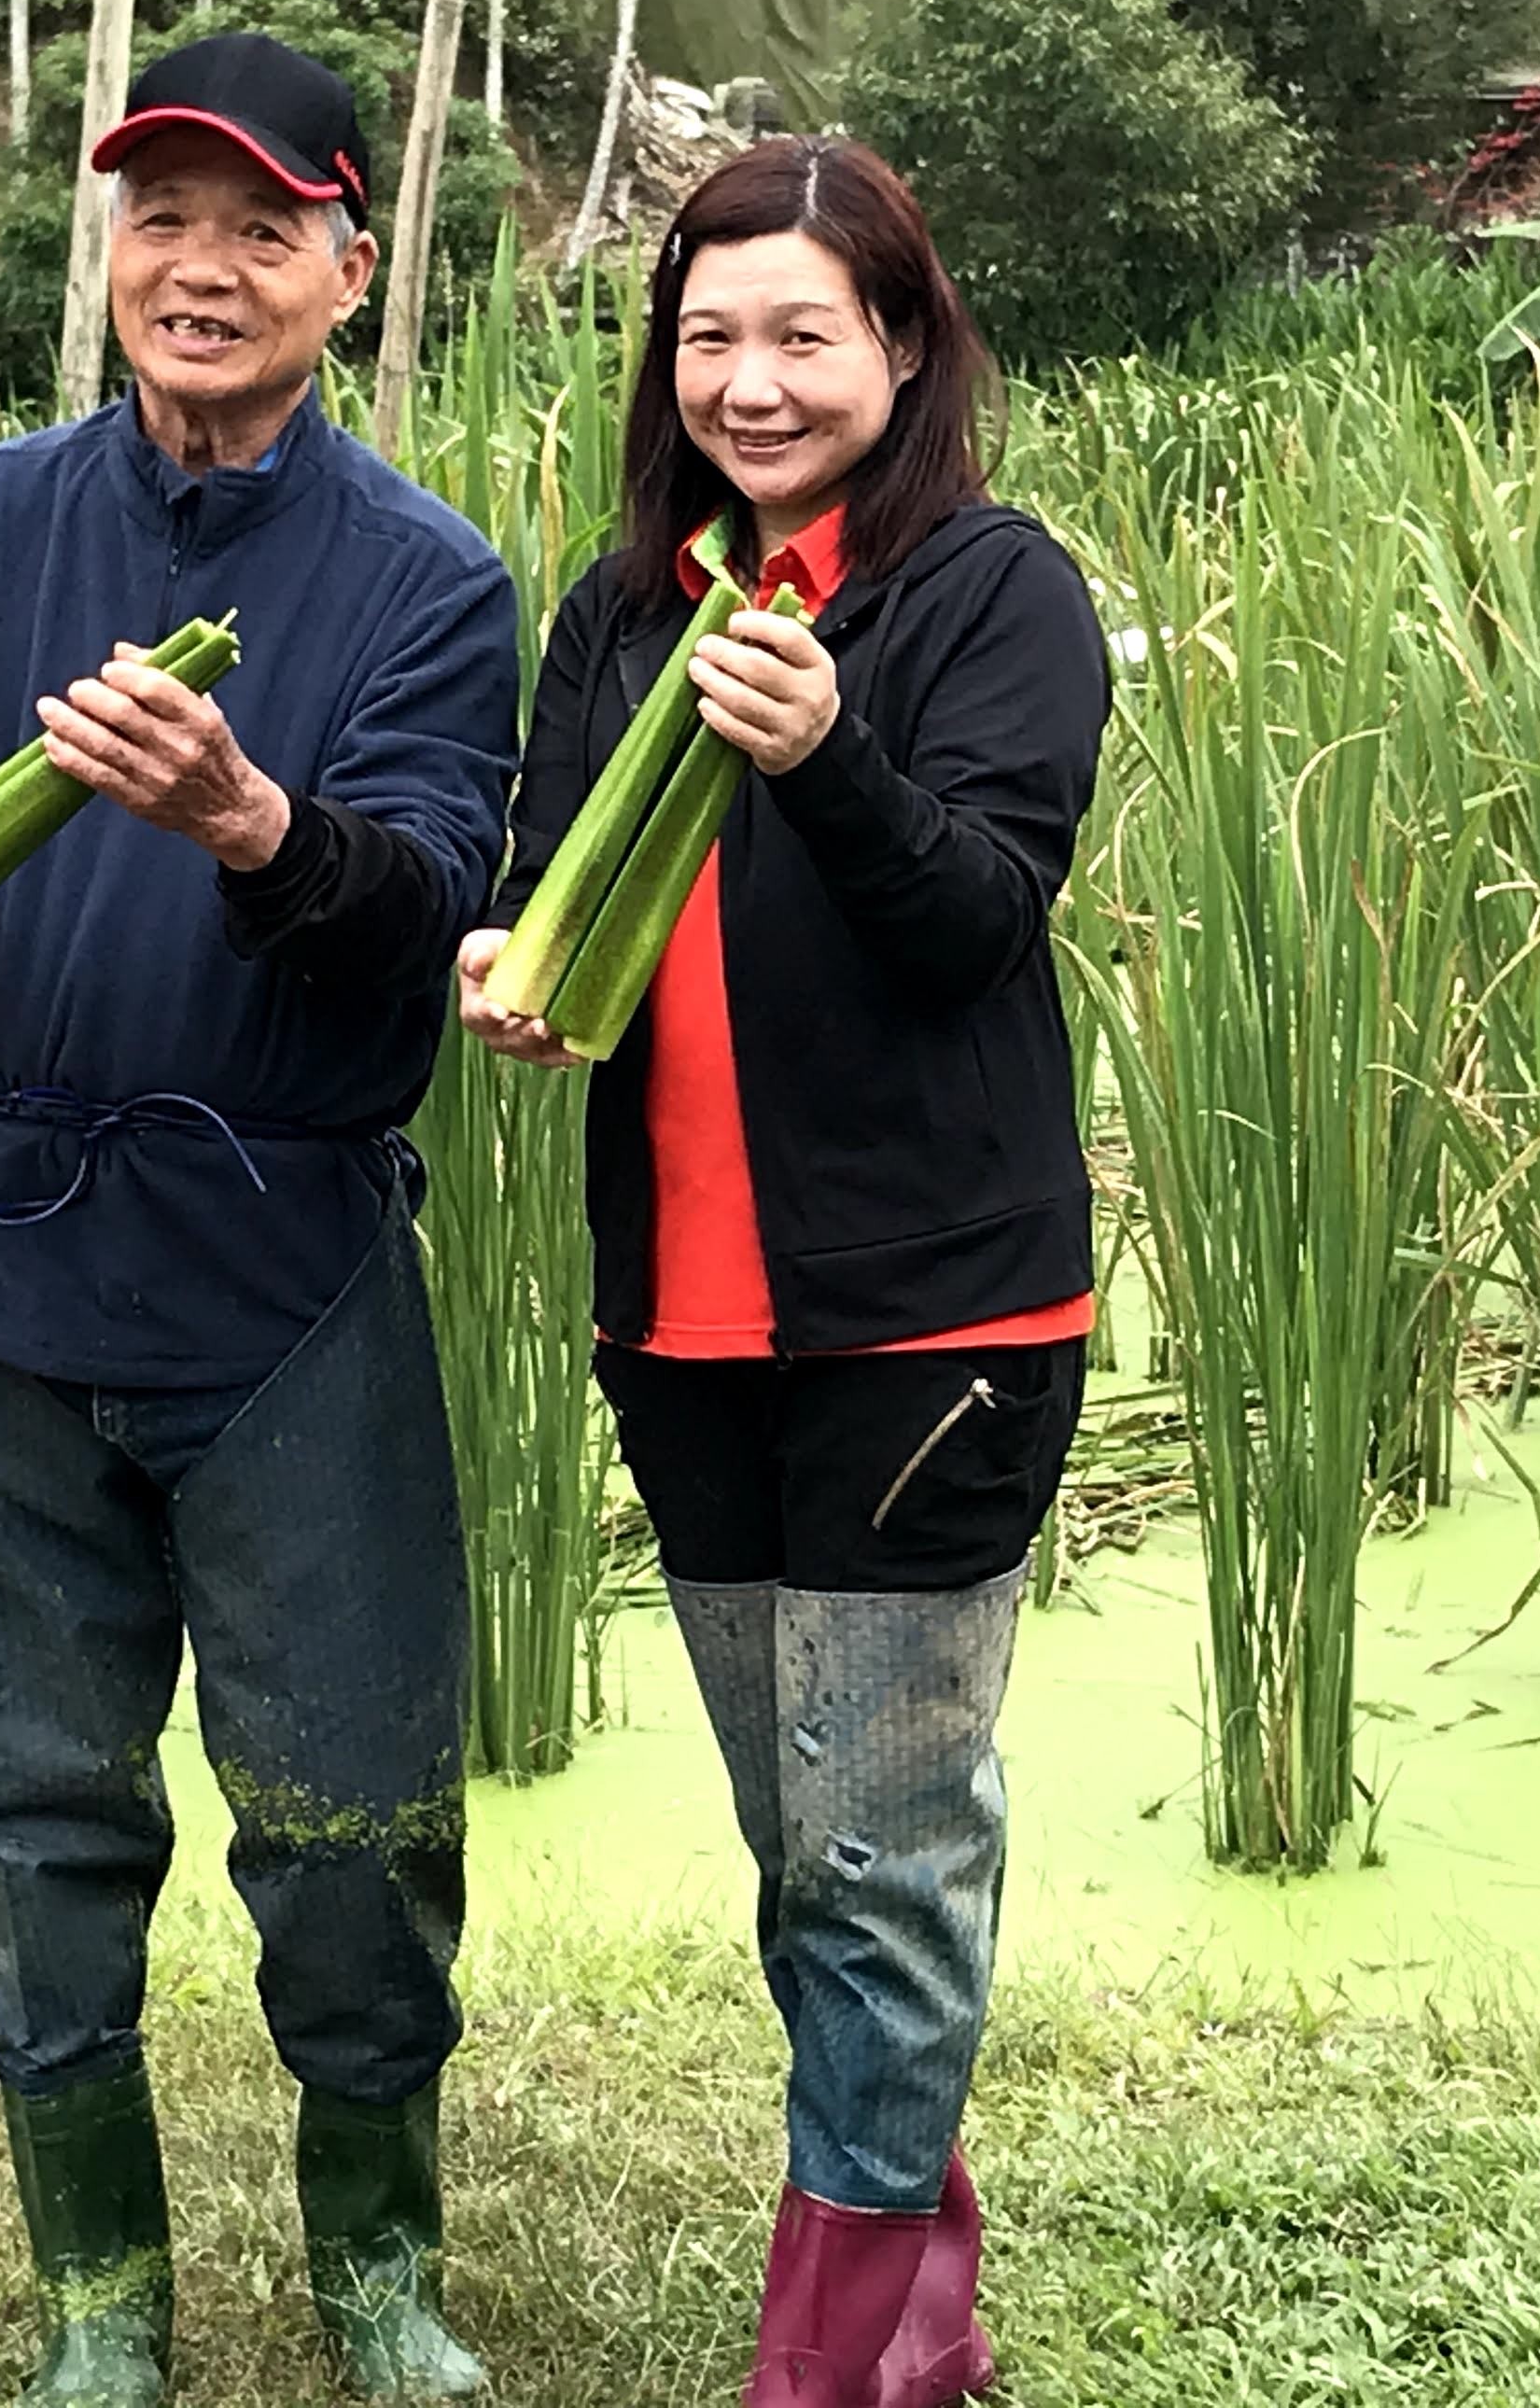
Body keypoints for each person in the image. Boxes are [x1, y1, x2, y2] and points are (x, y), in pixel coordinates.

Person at [0, 32, 519, 2408]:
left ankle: (378, 2266)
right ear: (109, 254)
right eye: (157, 220)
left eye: (257, 227)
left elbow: (413, 904)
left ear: (347, 268)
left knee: (348, 1812)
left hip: (282, 1272)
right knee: (36, 1799)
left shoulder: (424, 582)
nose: (199, 268)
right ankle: (100, 2298)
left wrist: (240, 821)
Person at [458, 136, 1107, 2408]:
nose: (751, 380)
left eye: (803, 333)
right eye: (709, 333)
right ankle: (918, 2298)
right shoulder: (628, 608)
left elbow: (972, 922)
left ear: (901, 346)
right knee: (804, 1840)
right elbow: (548, 868)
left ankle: (828, 2369)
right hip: (688, 1327)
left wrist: (828, 752)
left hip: (935, 1323)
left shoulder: (989, 595)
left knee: (886, 1846)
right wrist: (506, 959)